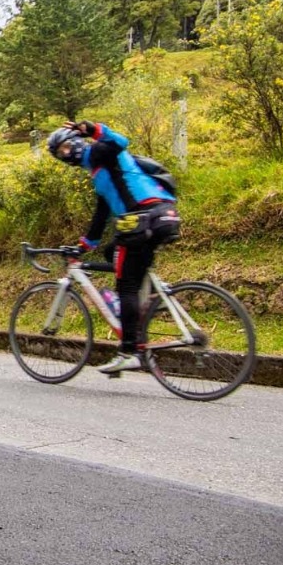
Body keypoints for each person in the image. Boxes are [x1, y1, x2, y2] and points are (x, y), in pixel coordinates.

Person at [47, 120, 181, 374]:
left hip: (143, 217)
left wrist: (93, 129)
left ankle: (129, 351)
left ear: (77, 141)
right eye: (59, 154)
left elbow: (120, 141)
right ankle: (153, 296)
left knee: (126, 285)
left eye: (65, 147)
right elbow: (101, 215)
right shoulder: (100, 174)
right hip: (159, 216)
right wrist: (83, 245)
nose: (65, 155)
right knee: (113, 253)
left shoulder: (99, 152)